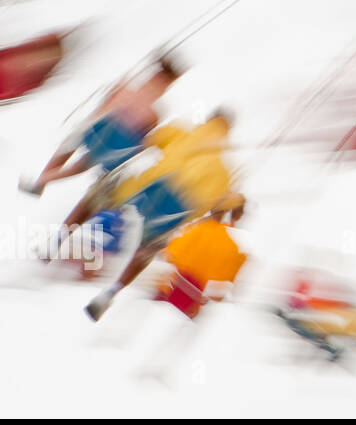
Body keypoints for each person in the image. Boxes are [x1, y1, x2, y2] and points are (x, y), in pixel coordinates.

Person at [84, 110, 240, 322]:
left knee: (104, 195)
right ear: (228, 132)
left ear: (209, 119)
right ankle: (113, 291)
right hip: (177, 208)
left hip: (150, 188)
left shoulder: (183, 130)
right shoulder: (224, 168)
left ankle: (65, 239)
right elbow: (221, 204)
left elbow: (149, 140)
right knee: (148, 248)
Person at [21, 54, 184, 197]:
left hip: (106, 130)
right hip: (105, 130)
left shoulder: (137, 95)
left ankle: (42, 180)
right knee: (77, 158)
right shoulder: (143, 100)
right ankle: (42, 180)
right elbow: (140, 133)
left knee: (74, 153)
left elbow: (137, 130)